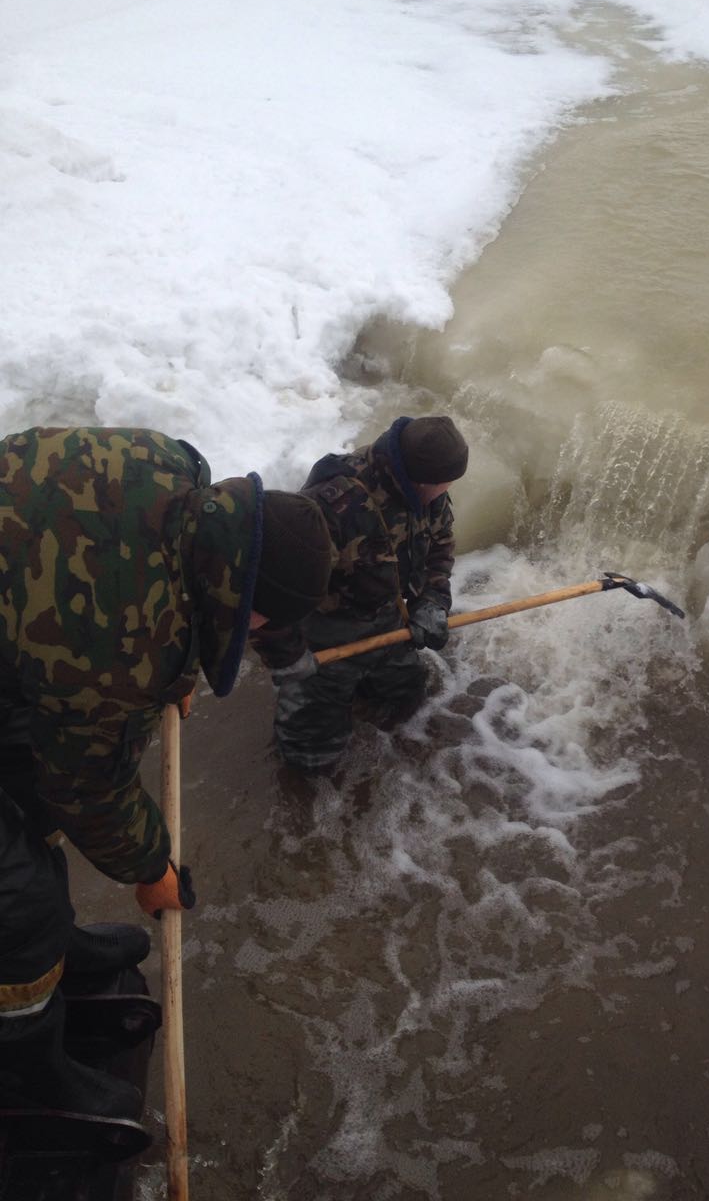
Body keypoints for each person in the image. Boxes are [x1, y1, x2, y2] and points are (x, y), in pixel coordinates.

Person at [0, 425, 332, 1124]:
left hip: (20, 623)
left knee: (30, 792)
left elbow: (120, 581)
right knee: (14, 900)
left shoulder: (177, 466)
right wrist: (152, 867)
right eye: (259, 620)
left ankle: (56, 945)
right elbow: (88, 786)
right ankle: (27, 1067)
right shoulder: (124, 647)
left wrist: (175, 663)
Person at [252, 415, 468, 776]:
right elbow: (266, 590)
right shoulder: (333, 508)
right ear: (419, 478)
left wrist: (432, 601)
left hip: (387, 619)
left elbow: (440, 547)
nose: (447, 491)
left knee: (407, 697)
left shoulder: (429, 494)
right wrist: (286, 655)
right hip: (324, 631)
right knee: (310, 755)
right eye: (443, 484)